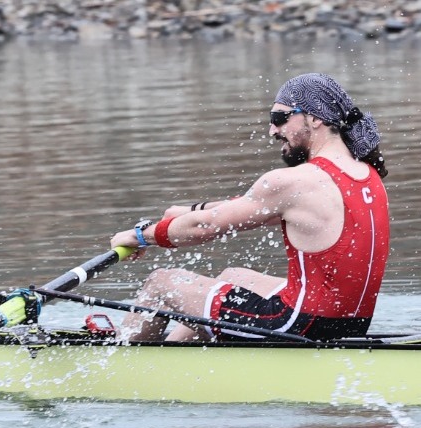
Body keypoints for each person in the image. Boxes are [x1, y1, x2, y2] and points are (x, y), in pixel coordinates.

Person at [109, 73, 390, 342]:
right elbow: (254, 210)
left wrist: (140, 235)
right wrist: (191, 209)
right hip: (349, 322)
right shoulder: (366, 174)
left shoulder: (295, 180)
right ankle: (176, 349)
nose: (272, 130)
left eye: (279, 118)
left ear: (314, 118)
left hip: (299, 324)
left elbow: (204, 227)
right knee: (234, 276)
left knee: (160, 283)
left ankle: (125, 368)